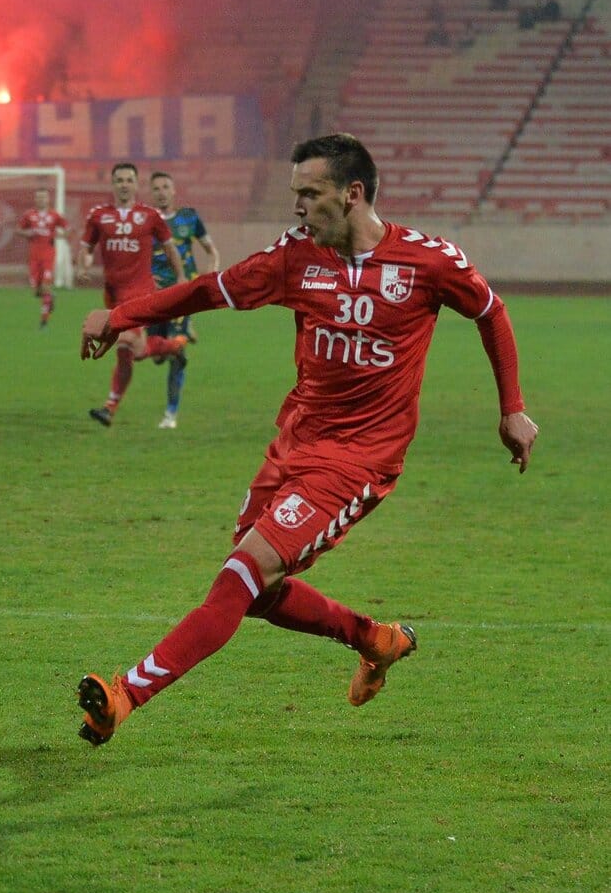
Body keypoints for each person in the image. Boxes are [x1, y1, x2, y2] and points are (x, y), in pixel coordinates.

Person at [75, 133, 538, 747]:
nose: (297, 207)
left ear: (352, 194)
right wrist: (121, 315)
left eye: (309, 194)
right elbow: (210, 290)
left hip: (357, 461)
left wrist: (513, 409)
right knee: (258, 593)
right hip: (293, 444)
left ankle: (126, 694)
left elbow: (491, 312)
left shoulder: (428, 261)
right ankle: (374, 639)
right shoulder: (296, 258)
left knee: (239, 576)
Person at [78, 162, 187, 427]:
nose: (124, 184)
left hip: (141, 293)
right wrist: (82, 265)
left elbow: (170, 249)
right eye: (119, 180)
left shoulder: (150, 216)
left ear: (136, 185)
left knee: (126, 344)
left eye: (129, 180)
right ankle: (174, 346)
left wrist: (182, 278)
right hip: (113, 295)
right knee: (133, 352)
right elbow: (86, 246)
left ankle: (109, 407)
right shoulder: (98, 215)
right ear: (113, 184)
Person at [147, 171, 220, 429]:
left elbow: (212, 251)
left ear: (174, 190)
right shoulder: (145, 221)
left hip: (183, 292)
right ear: (151, 192)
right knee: (155, 354)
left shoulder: (189, 218)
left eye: (166, 186)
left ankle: (170, 414)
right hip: (153, 297)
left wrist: (208, 278)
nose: (162, 191)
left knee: (177, 353)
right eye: (156, 188)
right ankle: (184, 331)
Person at [16, 188, 66, 328]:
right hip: (33, 257)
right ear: (35, 199)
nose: (41, 200)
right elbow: (18, 229)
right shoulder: (29, 215)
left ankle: (44, 321)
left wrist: (61, 235)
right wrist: (27, 233)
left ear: (48, 199)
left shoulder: (55, 215)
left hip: (48, 256)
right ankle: (51, 297)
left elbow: (67, 228)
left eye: (43, 197)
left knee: (45, 287)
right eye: (38, 197)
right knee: (36, 291)